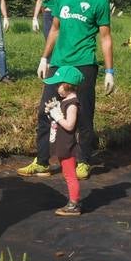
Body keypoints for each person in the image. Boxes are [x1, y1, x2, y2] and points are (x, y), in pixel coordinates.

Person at [18, 0, 114, 180]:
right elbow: (55, 29)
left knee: (84, 114)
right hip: (59, 63)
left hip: (84, 64)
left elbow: (106, 38)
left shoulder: (99, 1)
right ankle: (42, 161)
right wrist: (45, 58)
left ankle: (83, 161)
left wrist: (110, 71)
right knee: (45, 110)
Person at [43, 65, 83, 216]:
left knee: (70, 175)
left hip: (68, 145)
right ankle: (74, 201)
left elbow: (69, 124)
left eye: (58, 84)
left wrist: (58, 115)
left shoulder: (72, 104)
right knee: (67, 174)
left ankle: (74, 204)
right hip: (62, 143)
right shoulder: (65, 101)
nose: (56, 88)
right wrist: (52, 113)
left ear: (68, 85)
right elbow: (59, 120)